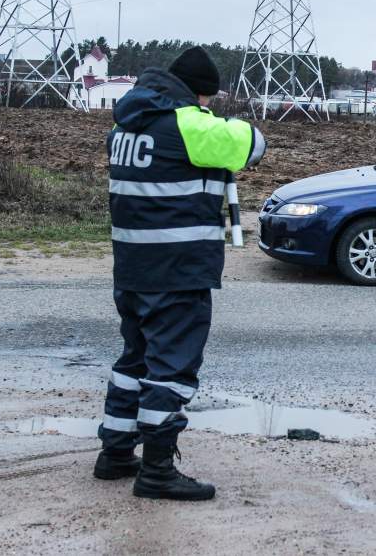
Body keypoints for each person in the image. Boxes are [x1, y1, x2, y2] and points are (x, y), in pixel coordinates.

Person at [95, 46, 266, 501]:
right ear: (199, 94)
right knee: (171, 369)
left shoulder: (124, 126)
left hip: (132, 266)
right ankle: (157, 472)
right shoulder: (190, 123)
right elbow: (254, 143)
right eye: (208, 98)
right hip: (178, 269)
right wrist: (220, 120)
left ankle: (114, 453)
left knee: (134, 361)